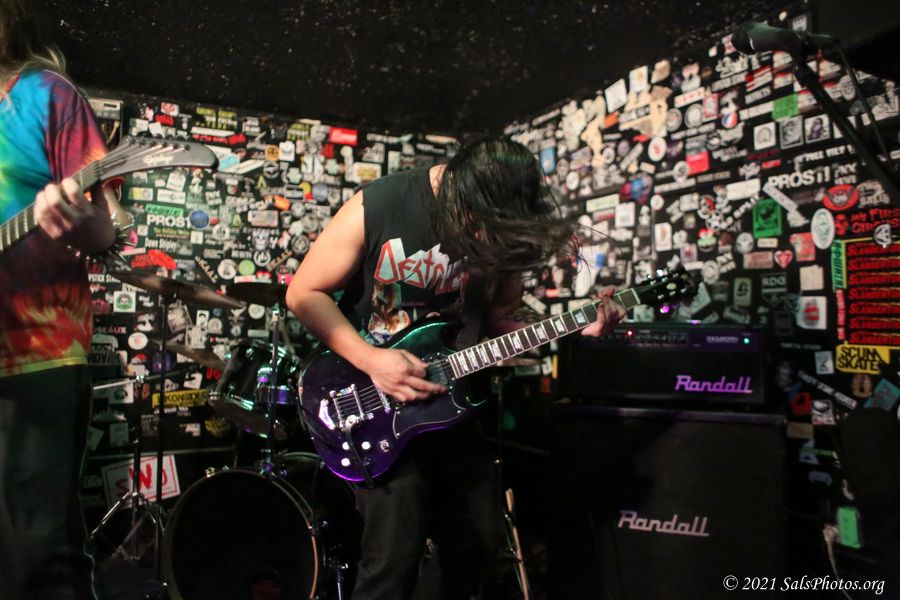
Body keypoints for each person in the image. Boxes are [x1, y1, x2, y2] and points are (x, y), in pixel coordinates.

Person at [286, 136, 625, 599]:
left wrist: (576, 325)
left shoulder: (501, 225)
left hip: (452, 403)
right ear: (459, 188)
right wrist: (372, 360)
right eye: (477, 222)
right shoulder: (380, 203)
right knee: (393, 553)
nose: (482, 237)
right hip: (369, 403)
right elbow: (303, 293)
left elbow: (502, 320)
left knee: (479, 543)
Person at [0, 1, 128, 598]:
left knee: (35, 555)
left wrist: (85, 226)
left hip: (35, 353)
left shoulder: (47, 94)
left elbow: (110, 228)